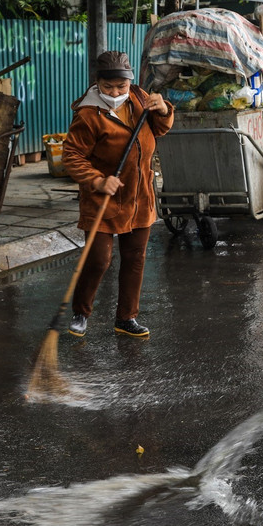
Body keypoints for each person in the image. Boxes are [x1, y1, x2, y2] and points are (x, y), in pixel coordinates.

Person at [61, 51, 174, 338]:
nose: (115, 92)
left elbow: (160, 129)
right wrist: (97, 181)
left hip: (140, 195)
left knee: (135, 257)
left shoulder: (139, 97)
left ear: (129, 82)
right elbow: (72, 156)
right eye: (108, 87)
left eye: (121, 87)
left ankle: (126, 318)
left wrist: (162, 109)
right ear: (97, 83)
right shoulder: (89, 114)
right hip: (103, 199)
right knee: (98, 259)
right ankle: (81, 312)